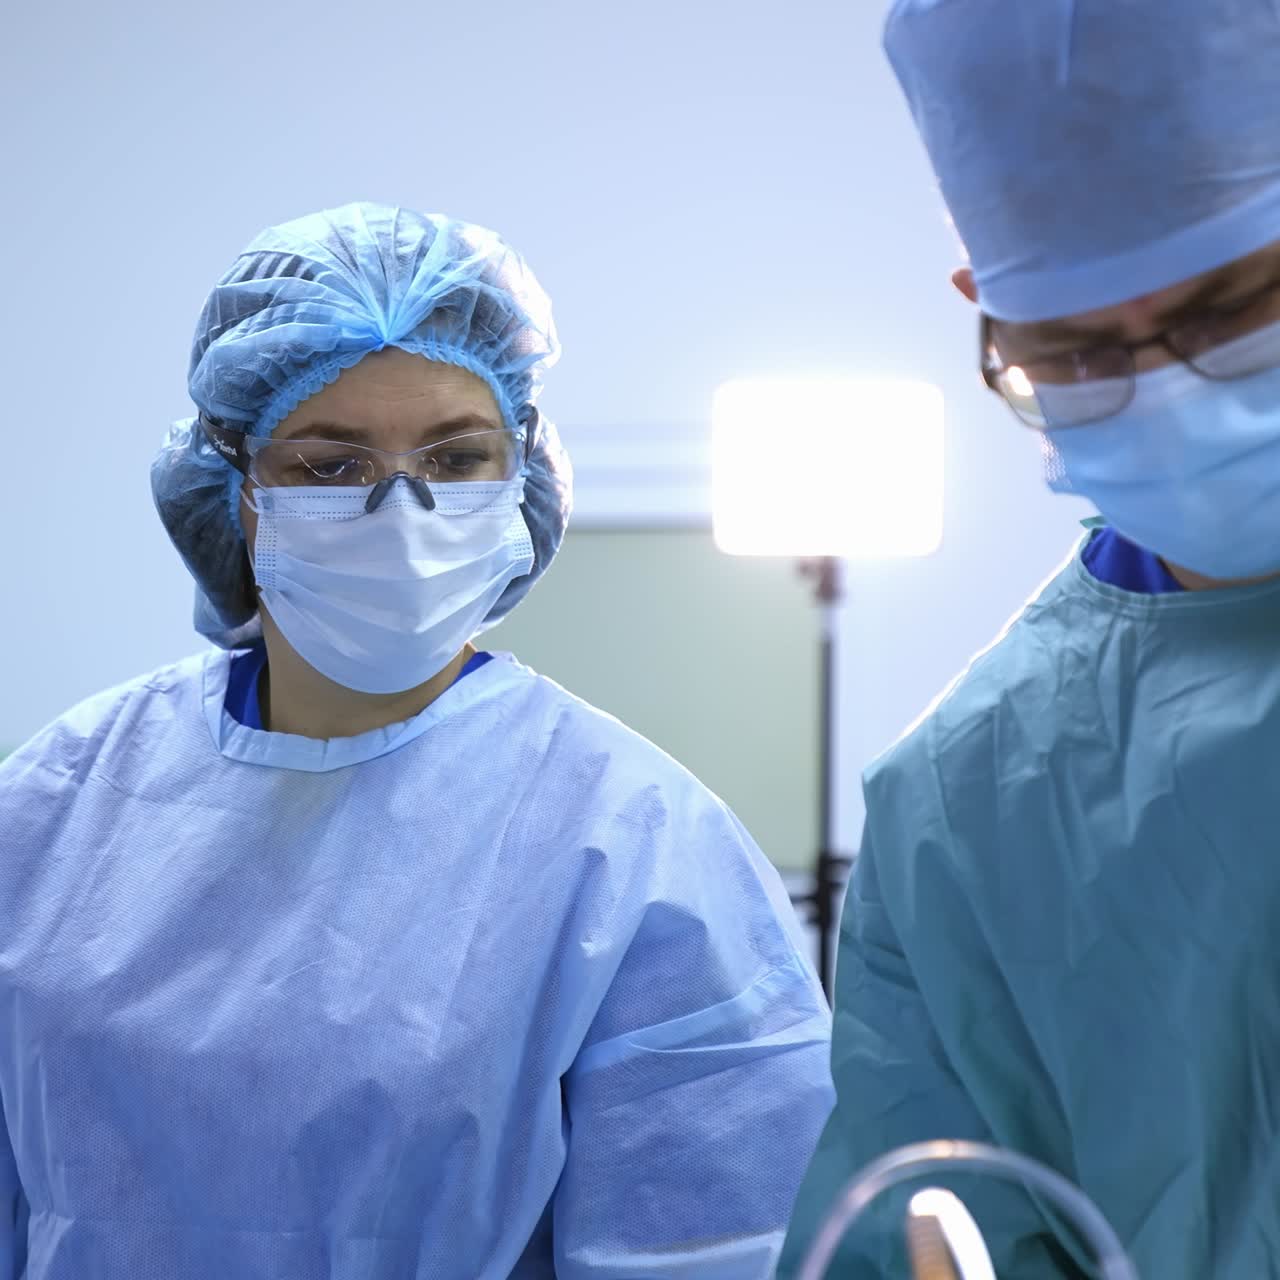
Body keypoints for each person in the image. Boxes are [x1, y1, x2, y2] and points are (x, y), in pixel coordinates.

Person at [0, 202, 834, 1279]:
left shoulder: (637, 848)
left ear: (522, 478)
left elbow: (716, 1239)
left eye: (455, 456)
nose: (402, 511)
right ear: (235, 491)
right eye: (329, 465)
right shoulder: (59, 804)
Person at [779, 2, 1280, 1277]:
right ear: (984, 314)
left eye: (1233, 314)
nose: (1167, 391)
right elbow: (923, 1231)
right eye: (1074, 351)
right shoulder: (965, 798)